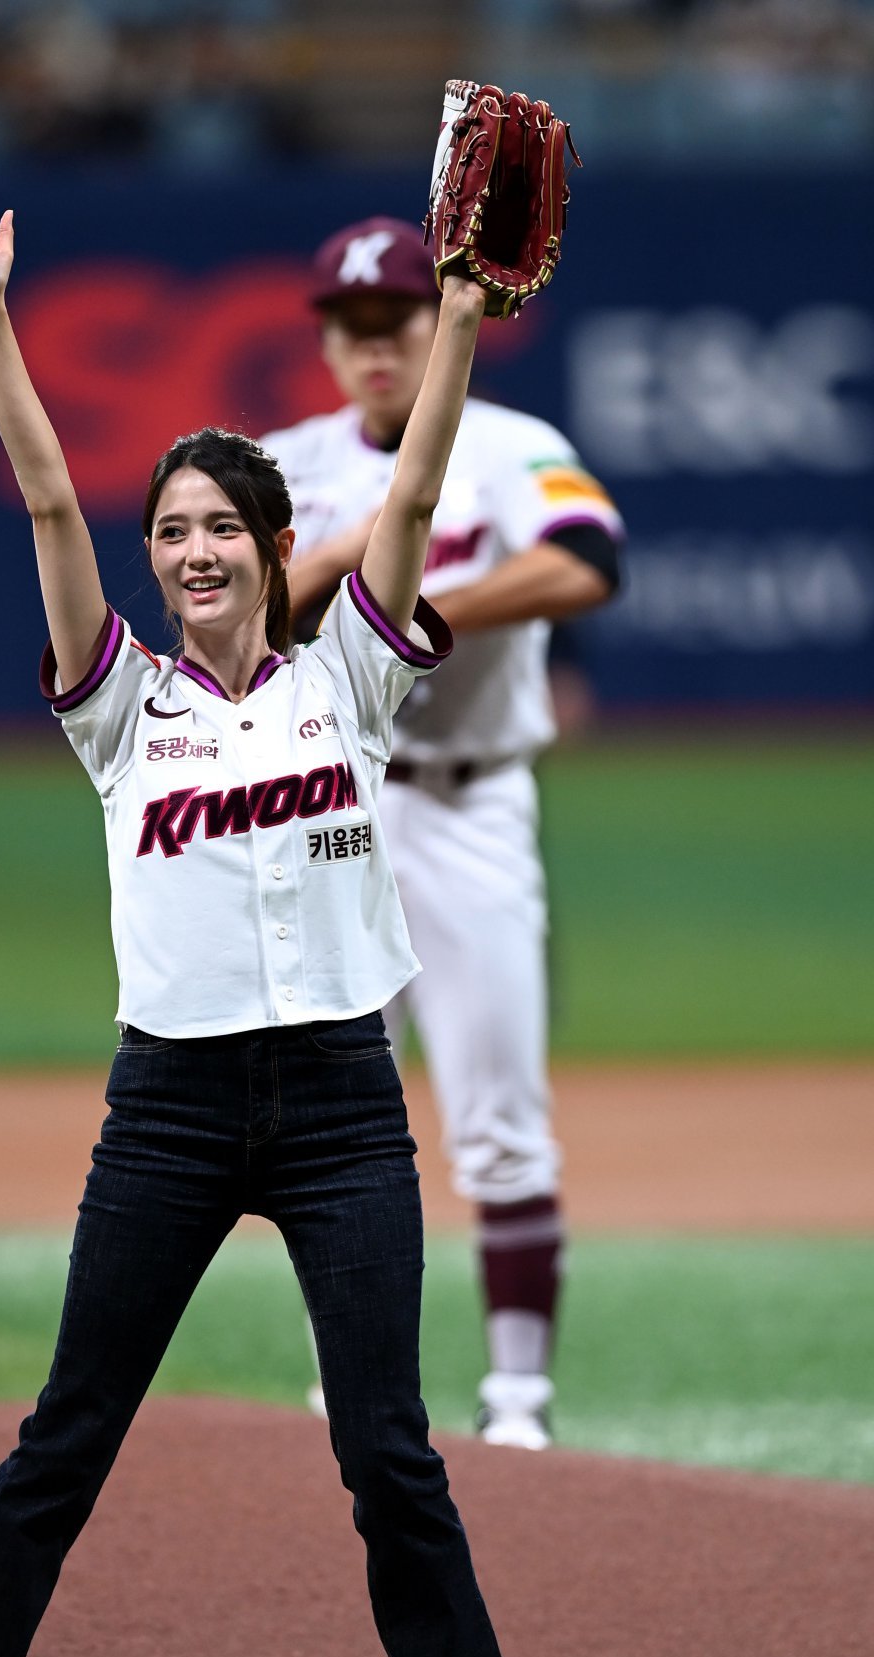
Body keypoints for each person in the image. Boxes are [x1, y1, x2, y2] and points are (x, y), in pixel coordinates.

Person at [0, 190, 515, 1657]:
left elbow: (417, 484)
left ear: (274, 548)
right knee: (75, 1422)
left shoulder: (349, 676)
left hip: (343, 1105)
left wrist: (456, 314)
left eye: (222, 525)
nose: (193, 550)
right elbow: (46, 497)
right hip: (168, 1106)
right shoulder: (120, 706)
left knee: (385, 1438)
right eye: (170, 529)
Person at [261, 217, 625, 1451]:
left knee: (500, 1116)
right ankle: (347, 1385)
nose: (373, 348)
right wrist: (347, 570)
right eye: (349, 328)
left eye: (396, 323)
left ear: (440, 324)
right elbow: (227, 620)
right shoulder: (284, 464)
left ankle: (519, 1399)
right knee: (330, 1120)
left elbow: (587, 559)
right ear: (324, 342)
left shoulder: (513, 447)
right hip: (333, 811)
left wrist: (423, 607)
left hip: (473, 806)